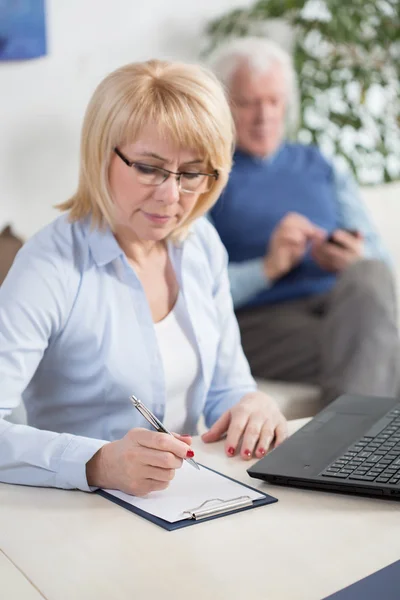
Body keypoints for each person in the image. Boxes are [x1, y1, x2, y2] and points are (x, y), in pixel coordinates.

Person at [0, 59, 287, 496]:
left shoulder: (201, 243)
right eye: (149, 168)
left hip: (189, 501)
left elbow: (228, 387)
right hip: (76, 514)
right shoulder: (49, 266)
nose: (171, 197)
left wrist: (253, 406)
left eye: (191, 173)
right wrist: (97, 463)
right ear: (102, 153)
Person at [208, 37, 400, 403]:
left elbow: (381, 266)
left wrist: (351, 258)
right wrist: (268, 267)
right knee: (380, 353)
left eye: (273, 101)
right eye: (248, 103)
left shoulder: (321, 165)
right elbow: (198, 289)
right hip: (265, 321)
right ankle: (354, 451)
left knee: (369, 273)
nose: (263, 116)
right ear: (224, 107)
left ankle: (342, 450)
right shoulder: (208, 174)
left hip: (342, 307)